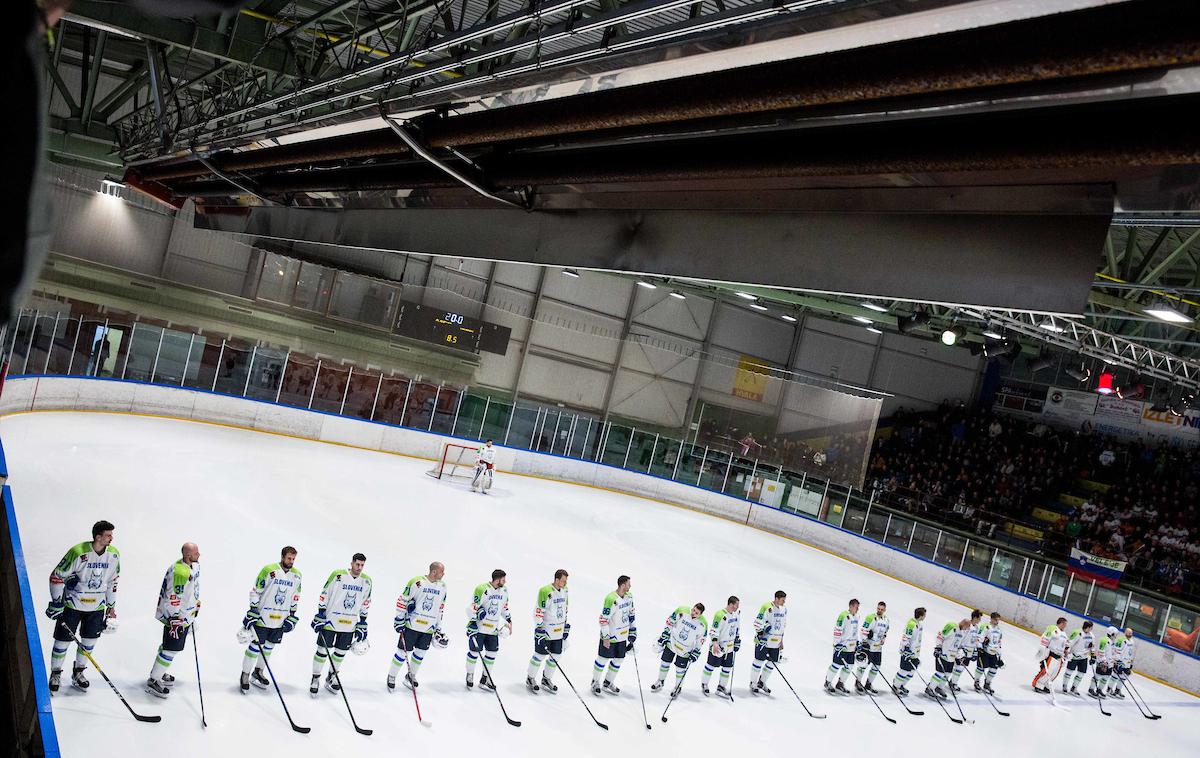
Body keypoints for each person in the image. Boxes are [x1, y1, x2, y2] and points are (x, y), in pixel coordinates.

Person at [45, 520, 120, 693]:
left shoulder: (114, 555)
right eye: (108, 535)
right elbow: (56, 577)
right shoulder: (78, 552)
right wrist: (57, 603)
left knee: (88, 642)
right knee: (62, 642)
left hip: (97, 607)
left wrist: (111, 606)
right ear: (98, 536)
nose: (111, 538)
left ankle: (78, 673)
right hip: (73, 604)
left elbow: (113, 581)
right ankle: (55, 673)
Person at [238, 546, 302, 693]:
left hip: (280, 619)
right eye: (289, 558)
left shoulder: (297, 575)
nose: (291, 561)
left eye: (293, 559)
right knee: (254, 648)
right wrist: (253, 609)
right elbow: (256, 591)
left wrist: (292, 615)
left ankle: (258, 672)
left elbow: (295, 597)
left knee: (268, 648)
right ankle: (245, 675)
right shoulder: (269, 570)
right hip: (263, 618)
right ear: (282, 556)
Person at [310, 553, 372, 696]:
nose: (359, 567)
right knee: (322, 651)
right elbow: (325, 594)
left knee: (340, 653)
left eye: (362, 565)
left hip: (349, 624)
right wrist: (320, 614)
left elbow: (366, 603)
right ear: (351, 563)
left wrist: (362, 622)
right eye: (357, 564)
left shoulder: (367, 581)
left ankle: (331, 677)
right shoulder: (338, 575)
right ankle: (315, 678)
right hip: (331, 621)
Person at [146, 542, 201, 698]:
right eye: (196, 553)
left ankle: (159, 672)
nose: (199, 555)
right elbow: (173, 598)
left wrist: (193, 610)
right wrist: (175, 619)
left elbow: (191, 591)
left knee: (169, 647)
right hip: (176, 618)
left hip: (186, 616)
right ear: (188, 555)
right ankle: (154, 680)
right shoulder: (180, 572)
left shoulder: (195, 566)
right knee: (171, 648)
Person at [388, 561, 448, 691]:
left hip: (428, 628)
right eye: (442, 571)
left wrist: (438, 627)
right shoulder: (417, 582)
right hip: (412, 625)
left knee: (420, 653)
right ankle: (391, 676)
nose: (443, 574)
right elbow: (402, 600)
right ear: (434, 572)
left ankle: (411, 676)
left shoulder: (443, 586)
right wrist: (399, 619)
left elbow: (440, 608)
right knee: (402, 653)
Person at [466, 569, 512, 690]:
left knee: (492, 653)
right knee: (474, 653)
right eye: (503, 579)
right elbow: (473, 608)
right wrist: (473, 622)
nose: (505, 581)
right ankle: (470, 675)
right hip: (479, 629)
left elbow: (504, 608)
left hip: (493, 629)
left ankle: (485, 678)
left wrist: (509, 620)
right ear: (497, 579)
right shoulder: (482, 589)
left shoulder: (504, 591)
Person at [650, 603, 708, 698]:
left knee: (680, 669)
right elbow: (670, 621)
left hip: (685, 649)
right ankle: (660, 681)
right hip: (672, 643)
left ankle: (678, 687)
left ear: (700, 614)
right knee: (665, 663)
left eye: (696, 613)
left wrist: (697, 651)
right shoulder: (682, 611)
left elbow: (701, 639)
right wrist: (665, 633)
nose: (693, 613)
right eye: (693, 610)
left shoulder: (703, 624)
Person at [592, 575, 637, 695]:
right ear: (623, 585)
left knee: (619, 660)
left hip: (622, 637)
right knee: (603, 659)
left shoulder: (629, 597)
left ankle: (608, 682)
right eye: (628, 584)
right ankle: (595, 682)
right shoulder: (611, 599)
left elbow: (631, 616)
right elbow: (603, 620)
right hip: (610, 636)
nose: (630, 586)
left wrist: (632, 632)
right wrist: (606, 637)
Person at [527, 569, 569, 693]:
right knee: (539, 655)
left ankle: (546, 679)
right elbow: (538, 612)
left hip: (558, 631)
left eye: (566, 581)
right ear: (556, 579)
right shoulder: (545, 591)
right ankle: (530, 678)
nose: (565, 583)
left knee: (556, 656)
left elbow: (565, 609)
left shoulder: (565, 591)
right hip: (546, 630)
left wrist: (565, 626)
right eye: (563, 580)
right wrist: (539, 628)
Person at [701, 596, 741, 697]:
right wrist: (715, 643)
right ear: (731, 604)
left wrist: (737, 640)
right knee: (710, 666)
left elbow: (737, 629)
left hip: (729, 647)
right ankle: (704, 684)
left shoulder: (736, 615)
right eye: (737, 604)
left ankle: (721, 687)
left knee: (727, 668)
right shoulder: (720, 615)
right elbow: (713, 630)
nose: (738, 607)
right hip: (718, 646)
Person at [751, 590, 787, 695]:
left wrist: (781, 641)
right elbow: (757, 623)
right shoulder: (767, 607)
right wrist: (761, 634)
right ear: (776, 598)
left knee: (772, 663)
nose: (784, 602)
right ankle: (753, 683)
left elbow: (782, 626)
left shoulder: (784, 610)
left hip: (776, 642)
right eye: (782, 600)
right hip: (764, 641)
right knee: (758, 661)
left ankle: (762, 682)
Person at [824, 598, 861, 694]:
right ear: (851, 606)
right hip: (842, 647)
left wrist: (857, 642)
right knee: (836, 665)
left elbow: (855, 631)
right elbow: (837, 630)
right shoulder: (843, 616)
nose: (857, 609)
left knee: (849, 666)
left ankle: (840, 684)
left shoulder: (857, 616)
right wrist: (837, 644)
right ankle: (827, 682)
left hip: (852, 647)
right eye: (856, 607)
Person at [925, 618, 969, 700]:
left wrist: (960, 655)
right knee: (940, 673)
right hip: (944, 654)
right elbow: (940, 636)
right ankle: (929, 688)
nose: (966, 629)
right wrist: (938, 647)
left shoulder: (962, 632)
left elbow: (958, 646)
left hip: (952, 657)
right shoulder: (952, 626)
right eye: (967, 627)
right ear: (963, 623)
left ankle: (939, 687)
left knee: (948, 674)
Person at [854, 600, 890, 694]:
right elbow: (864, 630)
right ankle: (858, 682)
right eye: (878, 608)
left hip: (878, 648)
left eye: (882, 609)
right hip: (868, 647)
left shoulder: (886, 620)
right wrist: (865, 641)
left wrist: (883, 638)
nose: (879, 610)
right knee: (863, 665)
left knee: (876, 666)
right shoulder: (871, 617)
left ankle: (869, 683)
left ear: (885, 610)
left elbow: (885, 632)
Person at [892, 607, 925, 696]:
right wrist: (906, 649)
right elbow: (906, 637)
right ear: (921, 615)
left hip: (914, 653)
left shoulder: (919, 625)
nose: (925, 616)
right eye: (924, 615)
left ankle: (901, 685)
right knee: (904, 670)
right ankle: (896, 686)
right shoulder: (911, 624)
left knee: (911, 671)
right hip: (908, 652)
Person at [1032, 617, 1069, 694]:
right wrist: (1043, 651)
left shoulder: (1064, 634)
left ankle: (1046, 685)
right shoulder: (1052, 628)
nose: (1065, 626)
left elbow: (1066, 645)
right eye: (1064, 624)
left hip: (1059, 656)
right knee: (1047, 671)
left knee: (1054, 673)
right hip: (1051, 653)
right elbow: (1045, 638)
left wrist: (1066, 654)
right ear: (1061, 623)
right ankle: (1038, 684)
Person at [949, 609, 983, 692]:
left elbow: (975, 640)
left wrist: (975, 651)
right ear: (975, 617)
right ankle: (953, 683)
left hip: (970, 652)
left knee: (961, 668)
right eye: (979, 618)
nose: (980, 620)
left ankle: (952, 681)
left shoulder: (976, 627)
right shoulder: (968, 626)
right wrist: (959, 650)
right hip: (963, 650)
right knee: (959, 668)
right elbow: (960, 637)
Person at [1062, 620, 1095, 696]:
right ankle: (1065, 685)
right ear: (1088, 627)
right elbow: (1069, 643)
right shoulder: (1077, 633)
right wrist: (1066, 650)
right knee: (1069, 671)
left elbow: (1092, 646)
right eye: (1091, 628)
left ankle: (1074, 687)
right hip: (1074, 656)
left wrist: (1093, 656)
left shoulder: (1092, 636)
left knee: (1081, 673)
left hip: (1084, 657)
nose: (1091, 629)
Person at [976, 612, 1004, 694]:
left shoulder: (999, 629)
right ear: (991, 619)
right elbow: (979, 638)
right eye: (996, 619)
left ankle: (987, 683)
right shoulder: (986, 627)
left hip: (994, 652)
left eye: (998, 620)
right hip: (985, 651)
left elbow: (999, 642)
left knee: (993, 669)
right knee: (981, 668)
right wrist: (979, 648)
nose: (997, 621)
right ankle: (976, 682)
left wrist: (999, 655)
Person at [1088, 626, 1119, 698]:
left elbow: (1113, 652)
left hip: (1110, 664)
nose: (1116, 636)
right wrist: (1104, 661)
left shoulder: (1113, 642)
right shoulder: (1104, 640)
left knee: (1106, 677)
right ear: (1111, 633)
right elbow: (1101, 652)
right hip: (1102, 662)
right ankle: (1091, 689)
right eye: (1115, 634)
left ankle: (1099, 689)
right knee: (1098, 676)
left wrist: (1114, 660)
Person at [1107, 627, 1135, 698]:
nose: (1130, 634)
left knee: (1123, 677)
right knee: (1115, 676)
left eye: (1131, 633)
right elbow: (1116, 650)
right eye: (1129, 633)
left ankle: (1118, 690)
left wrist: (1130, 663)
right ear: (1125, 633)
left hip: (1127, 663)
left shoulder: (1132, 641)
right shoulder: (1121, 640)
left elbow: (1131, 653)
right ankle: (1109, 689)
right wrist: (1117, 660)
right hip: (1120, 662)